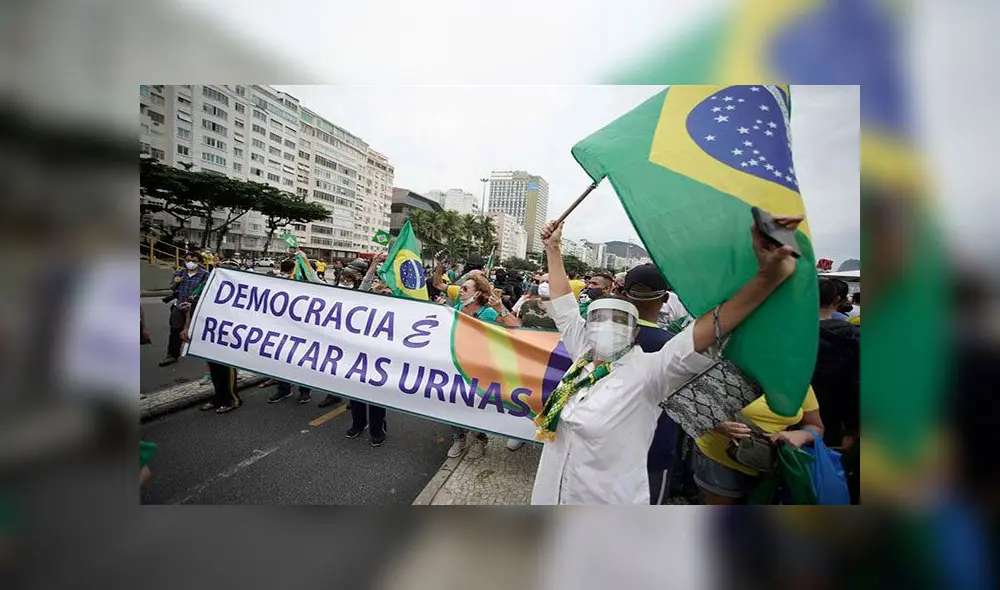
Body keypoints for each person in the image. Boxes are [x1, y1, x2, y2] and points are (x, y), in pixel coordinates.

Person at [532, 214, 803, 505]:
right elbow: (564, 306)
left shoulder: (650, 372)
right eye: (597, 319)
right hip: (550, 495)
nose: (605, 326)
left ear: (634, 331)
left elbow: (703, 333)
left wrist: (765, 278)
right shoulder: (582, 359)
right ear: (587, 327)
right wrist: (553, 247)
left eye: (618, 321)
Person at [621, 263, 684, 505]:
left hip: (610, 444)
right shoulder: (673, 347)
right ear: (666, 297)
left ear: (624, 294)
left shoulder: (603, 339)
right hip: (654, 446)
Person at [447, 273, 505, 459]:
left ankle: (479, 438)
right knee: (451, 403)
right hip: (456, 365)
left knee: (475, 405)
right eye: (461, 288)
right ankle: (459, 437)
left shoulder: (489, 313)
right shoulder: (455, 309)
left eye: (465, 289)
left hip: (480, 369)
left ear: (478, 293)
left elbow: (506, 336)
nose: (460, 292)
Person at [344, 253, 391, 446]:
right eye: (382, 291)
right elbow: (364, 284)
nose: (385, 294)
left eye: (389, 291)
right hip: (359, 352)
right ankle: (358, 423)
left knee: (376, 393)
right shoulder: (365, 296)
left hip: (382, 355)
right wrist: (374, 264)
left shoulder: (399, 303)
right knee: (356, 391)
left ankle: (377, 428)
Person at [178, 276, 242, 414]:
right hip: (208, 337)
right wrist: (186, 327)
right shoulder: (205, 288)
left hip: (225, 338)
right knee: (214, 369)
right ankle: (218, 398)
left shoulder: (233, 295)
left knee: (226, 369)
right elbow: (192, 310)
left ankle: (232, 399)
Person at [812, 278, 860, 448]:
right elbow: (855, 385)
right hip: (829, 417)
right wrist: (853, 428)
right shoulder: (850, 334)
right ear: (837, 300)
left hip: (775, 416)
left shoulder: (783, 329)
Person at [268, 259, 313, 405]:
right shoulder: (276, 282)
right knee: (281, 359)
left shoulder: (310, 284)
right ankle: (283, 388)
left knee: (301, 361)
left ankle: (304, 392)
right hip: (282, 328)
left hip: (302, 331)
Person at [158, 252, 207, 367]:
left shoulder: (205, 275)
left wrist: (196, 297)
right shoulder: (179, 273)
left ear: (199, 262)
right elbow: (171, 287)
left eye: (194, 261)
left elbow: (207, 290)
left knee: (197, 331)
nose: (191, 263)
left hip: (195, 307)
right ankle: (172, 355)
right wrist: (175, 283)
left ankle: (203, 355)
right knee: (175, 330)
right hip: (179, 305)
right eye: (188, 260)